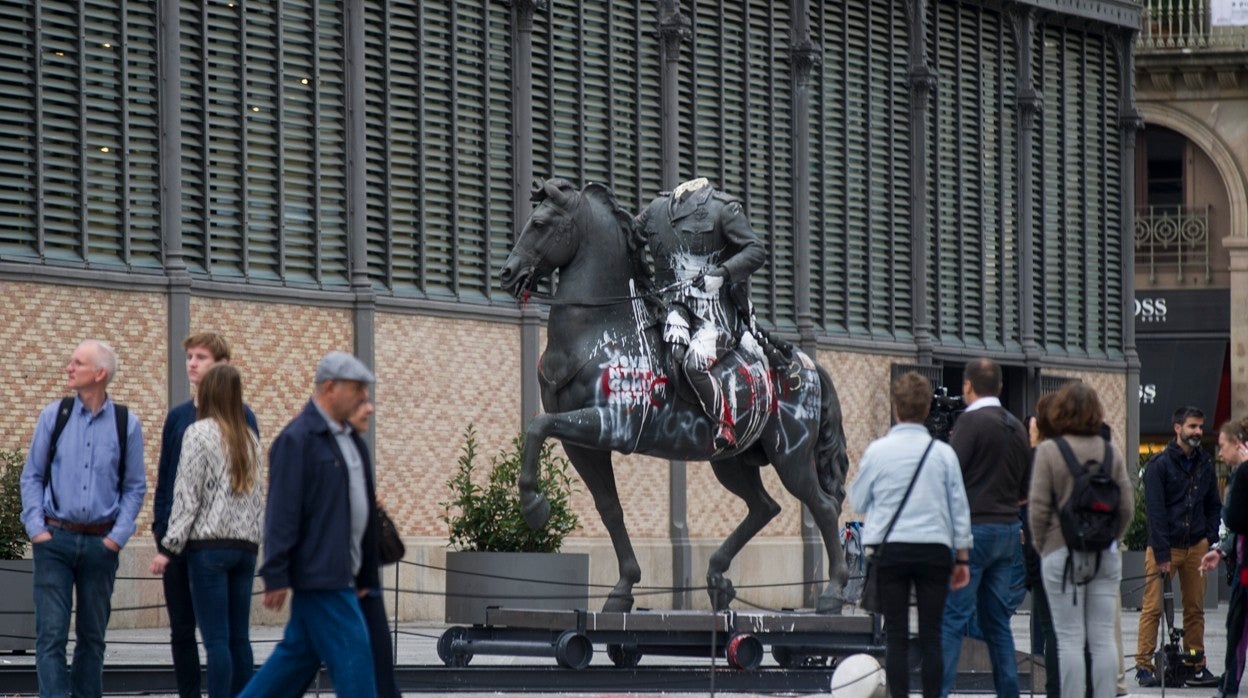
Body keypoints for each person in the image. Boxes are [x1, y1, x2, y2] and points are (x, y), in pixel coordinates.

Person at [239, 351, 381, 698]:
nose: (365, 397)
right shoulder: (296, 439)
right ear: (330, 387)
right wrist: (275, 572)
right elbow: (281, 512)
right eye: (357, 388)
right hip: (321, 577)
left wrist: (364, 577)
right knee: (356, 664)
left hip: (340, 575)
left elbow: (360, 513)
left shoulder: (351, 442)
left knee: (291, 664)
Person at [19, 339, 146, 698]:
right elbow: (31, 476)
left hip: (101, 546)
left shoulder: (127, 424)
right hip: (54, 541)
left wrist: (116, 538)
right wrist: (36, 529)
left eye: (77, 362)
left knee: (93, 639)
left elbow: (135, 487)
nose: (69, 368)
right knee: (51, 637)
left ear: (99, 373)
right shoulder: (53, 416)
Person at [849, 371, 972, 698]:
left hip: (891, 551)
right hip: (934, 550)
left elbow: (858, 500)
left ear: (896, 407)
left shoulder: (878, 451)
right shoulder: (943, 454)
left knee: (897, 637)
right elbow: (959, 508)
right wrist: (962, 557)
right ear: (928, 408)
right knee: (932, 635)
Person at [149, 332, 258, 698]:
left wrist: (169, 543)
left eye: (202, 358)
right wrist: (161, 529)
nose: (193, 364)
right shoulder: (181, 418)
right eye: (190, 357)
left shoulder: (227, 424)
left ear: (221, 367)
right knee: (199, 632)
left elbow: (188, 494)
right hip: (233, 543)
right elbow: (167, 481)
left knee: (218, 639)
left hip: (201, 543)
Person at [635, 177, 766, 451]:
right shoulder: (657, 208)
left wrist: (721, 274)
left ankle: (725, 424)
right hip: (671, 307)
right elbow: (629, 237)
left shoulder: (723, 209)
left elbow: (755, 250)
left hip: (714, 314)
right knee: (663, 353)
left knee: (694, 363)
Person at [1029, 382, 1133, 698]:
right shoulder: (1110, 451)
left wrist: (1045, 546)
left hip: (1060, 552)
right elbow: (1126, 506)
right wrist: (1109, 538)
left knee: (1068, 638)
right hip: (1103, 553)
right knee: (1102, 638)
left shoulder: (1049, 451)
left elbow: (1038, 509)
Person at [939, 358, 1030, 698]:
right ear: (1001, 388)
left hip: (973, 532)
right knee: (997, 622)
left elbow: (951, 473)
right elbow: (1024, 488)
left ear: (967, 386)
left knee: (952, 619)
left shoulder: (970, 422)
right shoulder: (1016, 426)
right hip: (1008, 531)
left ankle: (941, 692)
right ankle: (1008, 692)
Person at [1134, 405, 1222, 688]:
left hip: (1196, 544)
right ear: (1177, 428)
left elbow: (1213, 506)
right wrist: (1161, 553)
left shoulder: (1205, 464)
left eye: (1200, 427)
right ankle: (1144, 666)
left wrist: (1208, 538)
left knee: (1195, 608)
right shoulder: (1158, 466)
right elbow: (1155, 513)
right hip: (1166, 545)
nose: (1198, 432)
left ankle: (1196, 664)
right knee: (1152, 608)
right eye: (1192, 426)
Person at [345, 399, 401, 698]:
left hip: (364, 579)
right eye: (360, 399)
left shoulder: (357, 447)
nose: (369, 408)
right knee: (295, 662)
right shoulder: (306, 442)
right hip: (335, 583)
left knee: (381, 667)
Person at [1200, 417, 1248, 698]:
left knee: (1238, 626)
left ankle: (1228, 687)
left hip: (1246, 566)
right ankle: (1227, 685)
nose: (1219, 453)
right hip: (1242, 559)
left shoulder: (1242, 474)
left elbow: (1234, 516)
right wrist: (1221, 550)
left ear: (1237, 444)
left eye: (1222, 446)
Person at [1022, 405, 1059, 698]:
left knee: (1051, 629)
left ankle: (1053, 688)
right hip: (1072, 558)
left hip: (1046, 558)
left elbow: (1033, 520)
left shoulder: (1037, 460)